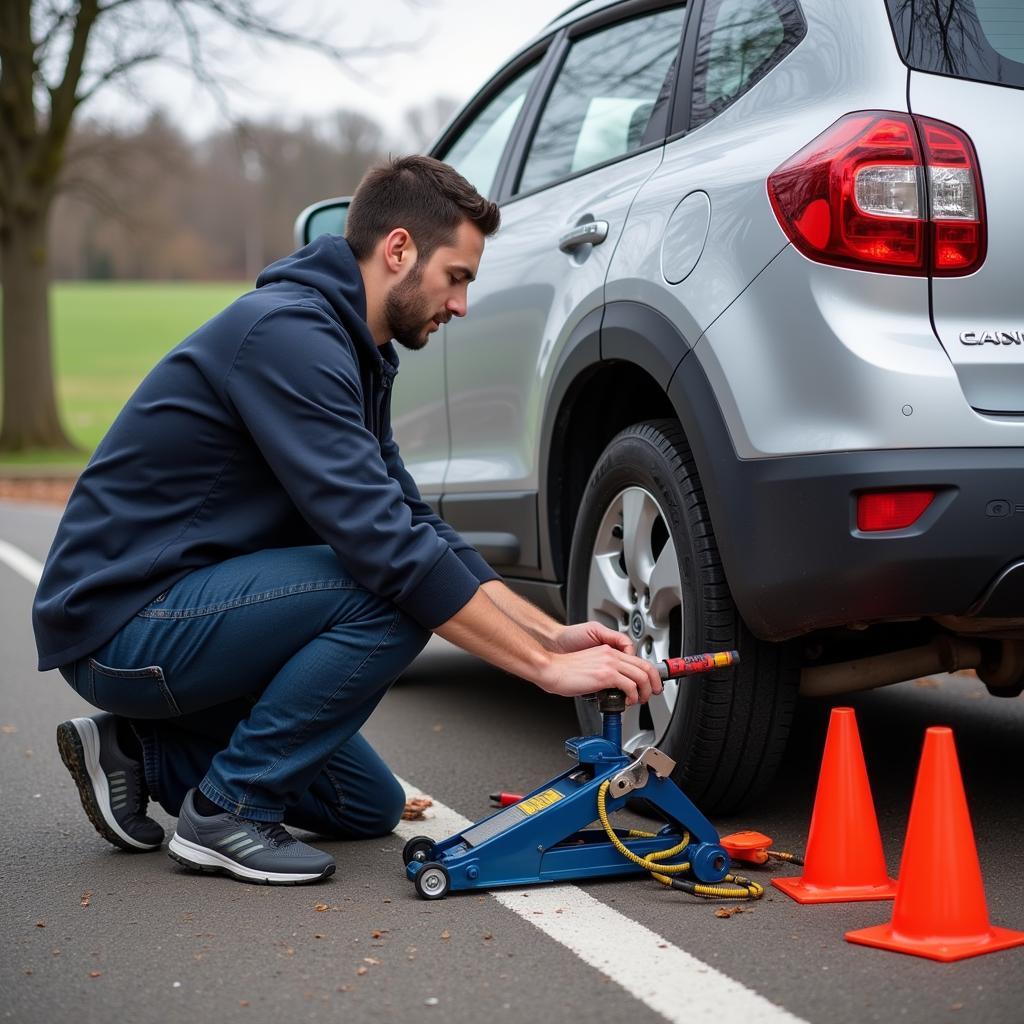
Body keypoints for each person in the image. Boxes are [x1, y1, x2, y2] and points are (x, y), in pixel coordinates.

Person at [32, 155, 662, 886]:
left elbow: (412, 522)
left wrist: (545, 630)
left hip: (192, 611)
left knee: (368, 807)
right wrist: (544, 671)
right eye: (457, 277)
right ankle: (226, 813)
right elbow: (388, 552)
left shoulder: (354, 353)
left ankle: (143, 751)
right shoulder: (287, 336)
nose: (461, 305)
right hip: (125, 618)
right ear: (398, 250)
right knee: (390, 594)